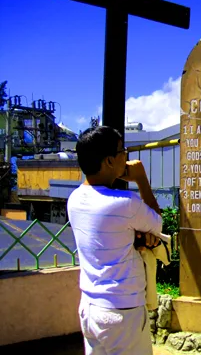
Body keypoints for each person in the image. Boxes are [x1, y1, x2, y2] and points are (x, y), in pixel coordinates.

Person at [67, 126, 164, 355]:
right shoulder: (125, 203)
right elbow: (157, 224)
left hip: (90, 307)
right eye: (123, 151)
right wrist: (141, 179)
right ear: (109, 161)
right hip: (123, 311)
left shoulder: (74, 199)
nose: (127, 157)